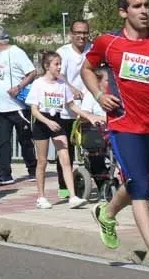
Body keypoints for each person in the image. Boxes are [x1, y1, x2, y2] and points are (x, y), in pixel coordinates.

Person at [81, 0, 149, 279]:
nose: (144, 11)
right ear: (123, 12)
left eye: (146, 5)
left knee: (140, 181)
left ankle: (107, 213)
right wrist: (99, 96)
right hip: (122, 123)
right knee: (140, 186)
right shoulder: (108, 43)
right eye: (137, 6)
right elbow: (86, 70)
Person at [27, 50, 89, 210]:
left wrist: (88, 116)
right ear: (47, 66)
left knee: (66, 159)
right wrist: (47, 122)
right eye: (56, 64)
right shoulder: (38, 83)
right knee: (42, 161)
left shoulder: (62, 85)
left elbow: (72, 105)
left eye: (60, 64)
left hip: (58, 121)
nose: (59, 67)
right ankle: (41, 196)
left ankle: (73, 196)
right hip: (43, 122)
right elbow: (34, 110)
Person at [0, 24, 38, 185]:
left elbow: (32, 72)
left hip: (17, 107)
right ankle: (4, 174)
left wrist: (19, 87)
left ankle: (33, 169)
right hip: (1, 108)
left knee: (25, 140)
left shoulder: (16, 52)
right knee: (3, 141)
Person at [56, 20, 91, 199]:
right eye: (78, 32)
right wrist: (71, 88)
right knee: (65, 149)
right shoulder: (63, 52)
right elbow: (57, 74)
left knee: (93, 146)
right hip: (65, 109)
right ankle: (64, 185)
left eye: (85, 33)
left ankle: (96, 179)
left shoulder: (92, 51)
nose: (81, 36)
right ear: (71, 34)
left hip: (87, 108)